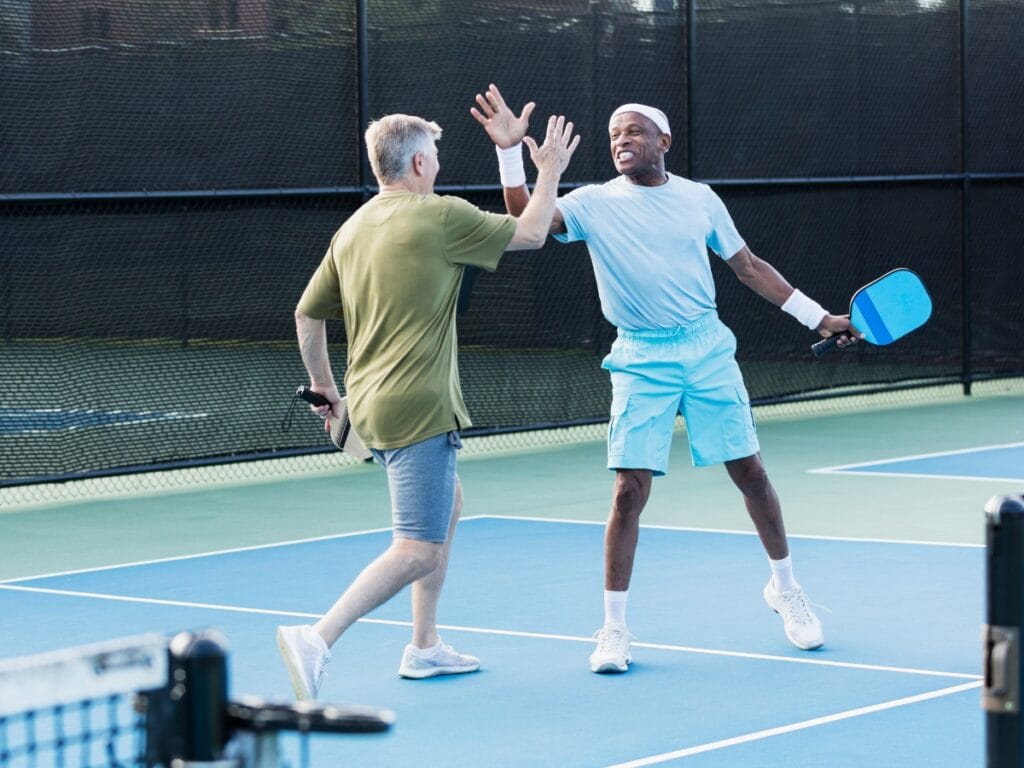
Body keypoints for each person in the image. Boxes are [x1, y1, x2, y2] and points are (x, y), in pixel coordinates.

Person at [471, 84, 860, 674]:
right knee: (628, 492)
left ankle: (785, 587)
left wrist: (821, 317)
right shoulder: (593, 202)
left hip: (706, 350)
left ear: (663, 141)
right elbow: (528, 220)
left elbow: (749, 268)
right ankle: (614, 630)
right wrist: (507, 155)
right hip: (640, 357)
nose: (620, 141)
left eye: (632, 131)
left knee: (750, 473)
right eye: (612, 136)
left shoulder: (701, 200)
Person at [277, 109, 579, 700]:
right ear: (419, 163)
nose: (438, 167)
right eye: (435, 158)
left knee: (449, 504)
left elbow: (306, 314)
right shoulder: (440, 216)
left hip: (370, 407)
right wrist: (549, 171)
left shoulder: (352, 228)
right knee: (416, 547)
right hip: (418, 408)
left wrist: (326, 392)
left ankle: (424, 646)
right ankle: (316, 638)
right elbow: (535, 232)